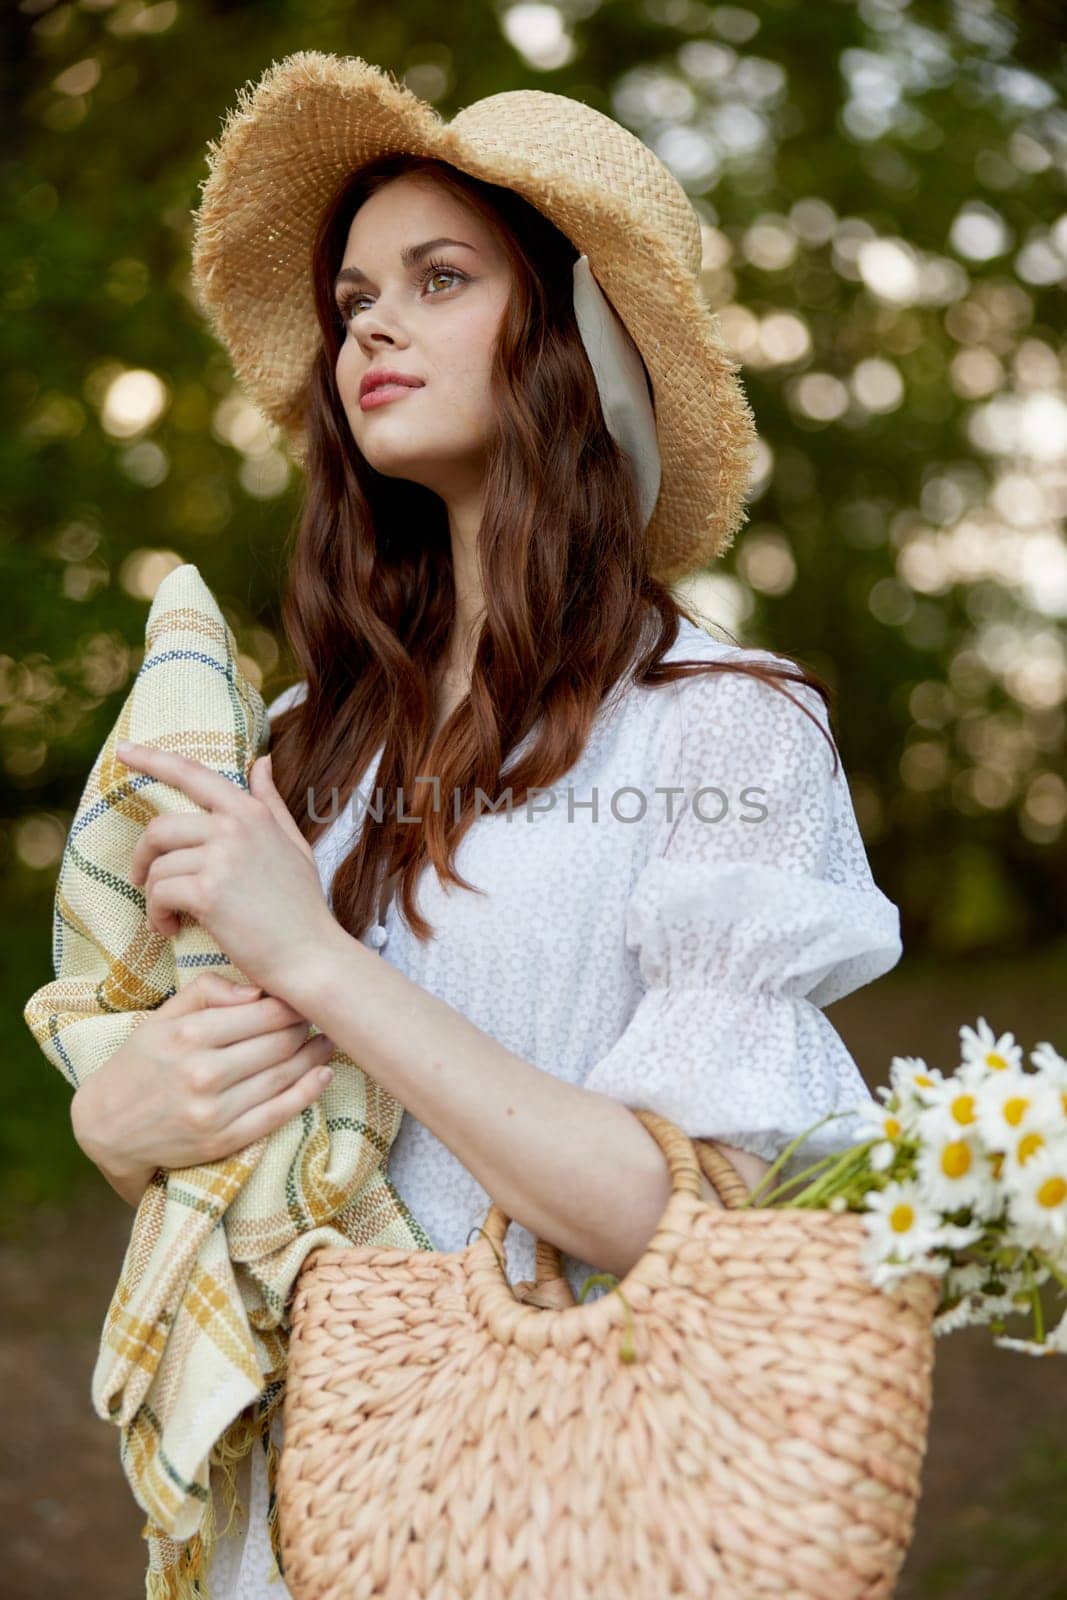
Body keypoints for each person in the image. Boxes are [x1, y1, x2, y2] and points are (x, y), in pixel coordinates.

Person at [68, 54, 903, 1599]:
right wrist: (118, 1126)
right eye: (354, 298)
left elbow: (676, 1206)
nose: (367, 324)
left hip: (563, 1492)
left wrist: (308, 956)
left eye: (438, 278)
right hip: (294, 1499)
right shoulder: (293, 744)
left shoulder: (722, 719)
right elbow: (246, 1141)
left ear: (574, 338)